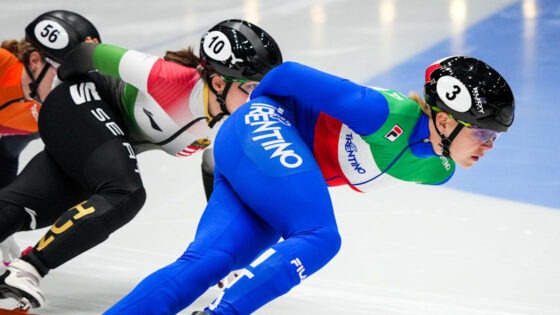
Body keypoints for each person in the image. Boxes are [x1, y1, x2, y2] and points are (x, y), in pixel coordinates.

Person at [102, 56, 515, 315]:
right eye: (483, 133)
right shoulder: (385, 114)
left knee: (209, 262)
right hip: (261, 131)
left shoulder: (437, 170)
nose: (489, 146)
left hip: (263, 165)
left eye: (494, 137)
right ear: (444, 120)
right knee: (320, 236)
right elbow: (287, 74)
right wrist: (252, 118)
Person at [0, 18, 282, 309]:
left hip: (97, 141)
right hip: (79, 103)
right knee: (125, 193)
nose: (257, 100)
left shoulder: (227, 127)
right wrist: (57, 102)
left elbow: (218, 191)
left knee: (22, 208)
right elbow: (83, 55)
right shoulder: (167, 77)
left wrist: (226, 253)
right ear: (219, 82)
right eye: (251, 88)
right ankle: (29, 267)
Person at [0, 10, 101, 266]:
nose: (66, 86)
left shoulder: (49, 110)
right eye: (61, 75)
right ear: (34, 60)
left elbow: (6, 155)